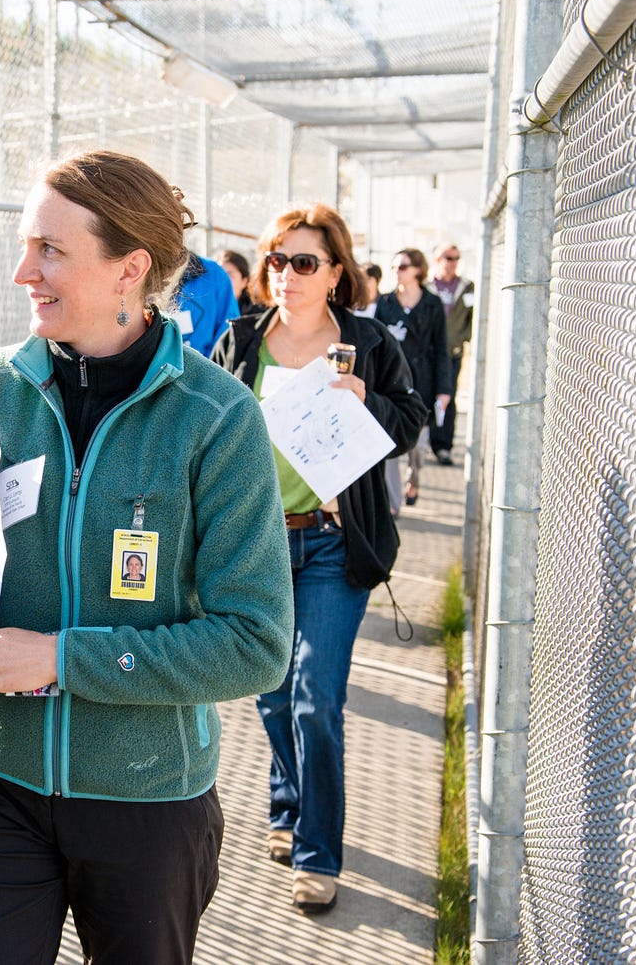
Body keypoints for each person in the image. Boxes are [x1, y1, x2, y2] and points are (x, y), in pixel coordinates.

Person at [0, 150, 293, 965]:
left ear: (130, 270)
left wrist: (61, 660)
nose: (23, 271)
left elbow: (254, 642)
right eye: (24, 244)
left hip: (149, 800)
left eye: (50, 249)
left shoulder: (215, 419)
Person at [211, 204, 427, 914]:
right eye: (277, 259)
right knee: (271, 691)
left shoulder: (364, 343)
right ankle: (288, 801)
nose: (286, 274)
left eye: (304, 262)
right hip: (260, 543)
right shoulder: (242, 341)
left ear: (335, 272)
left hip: (335, 542)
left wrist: (367, 399)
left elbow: (409, 419)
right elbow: (205, 429)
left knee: (316, 695)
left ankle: (317, 850)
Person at [375, 248, 451, 506]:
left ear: (418, 270)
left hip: (423, 380)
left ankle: (414, 480)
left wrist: (444, 389)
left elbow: (441, 348)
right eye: (394, 266)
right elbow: (375, 345)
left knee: (418, 447)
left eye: (403, 266)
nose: (397, 271)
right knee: (390, 445)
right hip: (391, 380)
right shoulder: (385, 303)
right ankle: (393, 504)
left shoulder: (432, 304)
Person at [425, 243, 475, 465]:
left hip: (452, 352)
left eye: (455, 258)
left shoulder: (466, 287)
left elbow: (473, 317)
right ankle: (420, 441)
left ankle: (443, 446)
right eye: (447, 257)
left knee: (447, 397)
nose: (452, 262)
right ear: (437, 260)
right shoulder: (427, 287)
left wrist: (462, 338)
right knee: (425, 394)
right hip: (428, 352)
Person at [172, 249, 240, 357]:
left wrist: (206, 370)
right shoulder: (140, 271)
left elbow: (228, 335)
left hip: (203, 369)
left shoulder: (214, 275)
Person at [216, 248, 259, 314]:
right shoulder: (202, 309)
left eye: (229, 275)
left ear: (244, 282)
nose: (222, 281)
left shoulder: (258, 315)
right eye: (218, 275)